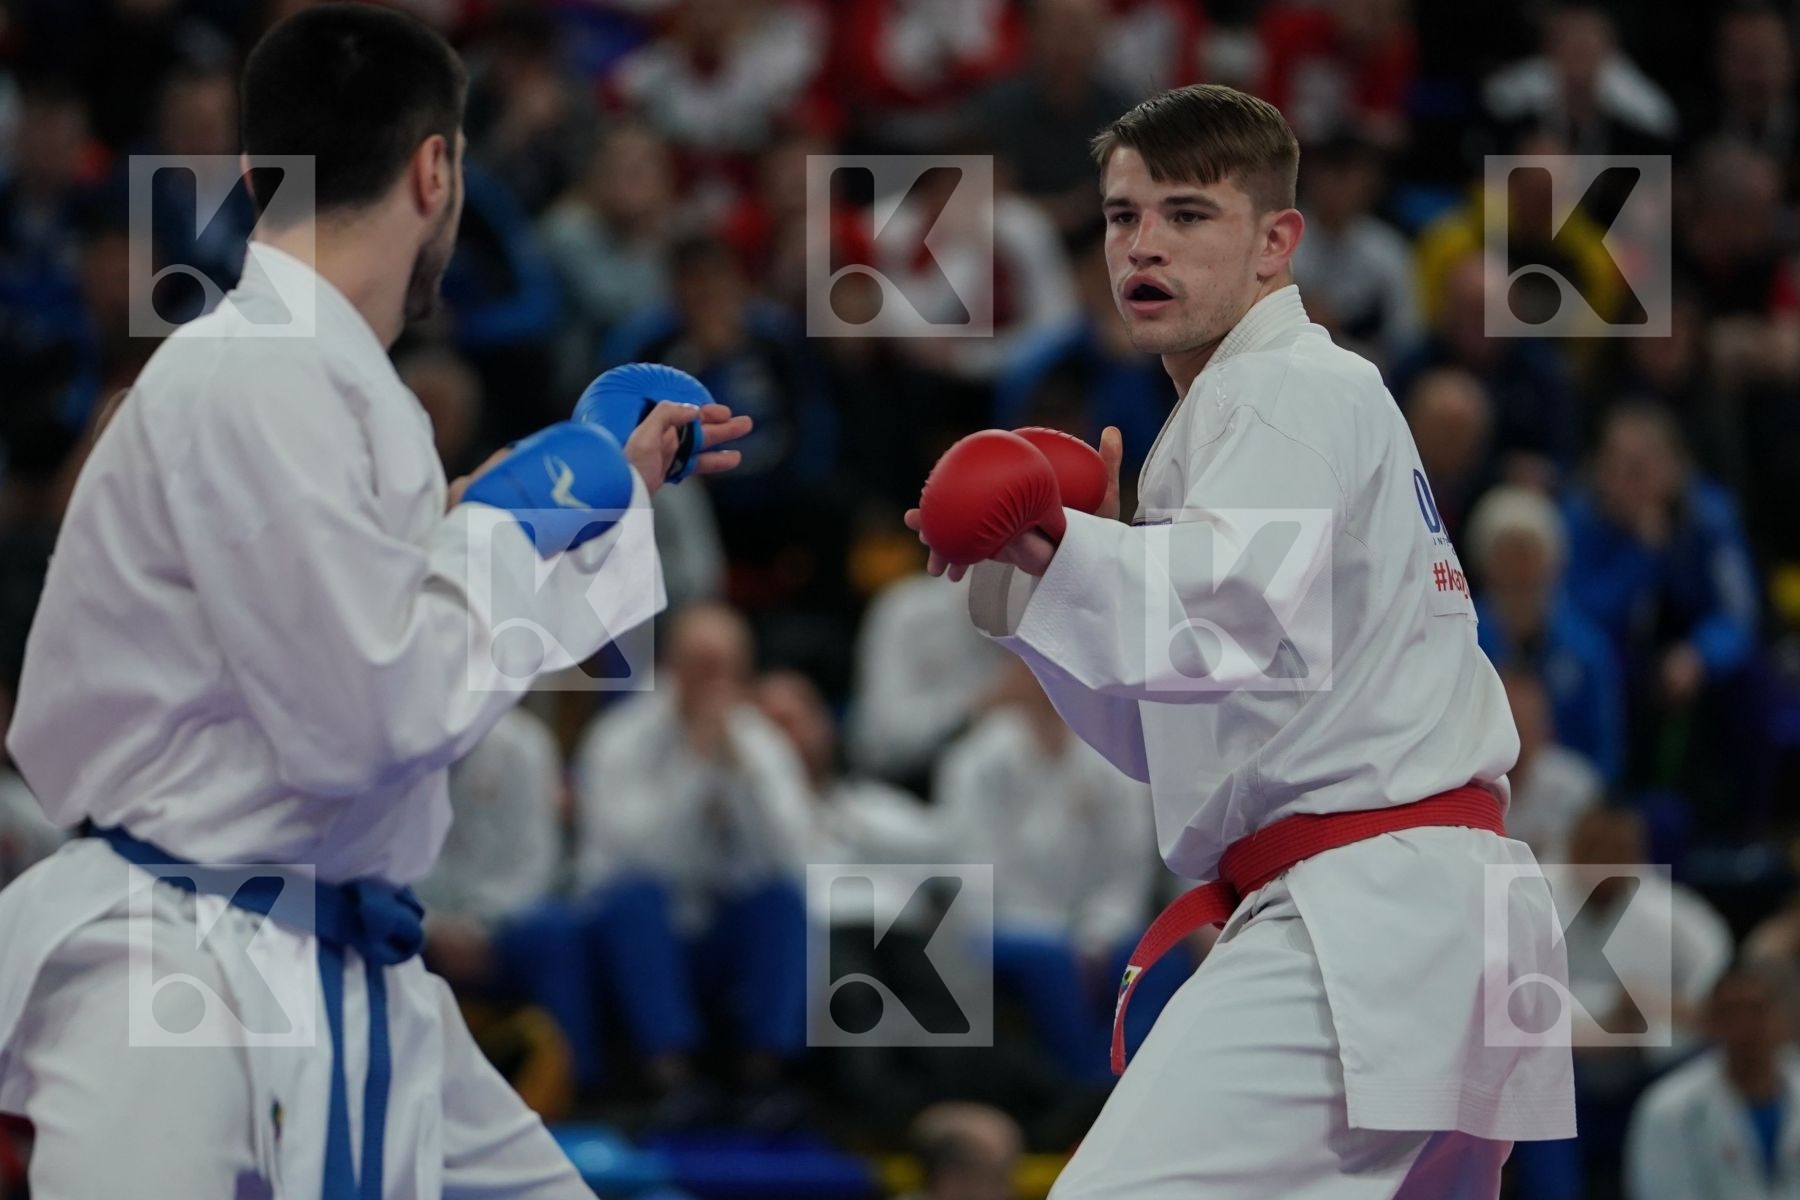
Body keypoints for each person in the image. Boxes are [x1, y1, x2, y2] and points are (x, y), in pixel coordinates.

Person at [0, 7, 750, 1197]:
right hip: (197, 972)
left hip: (330, 950)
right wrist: (527, 512)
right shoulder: (263, 371)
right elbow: (366, 714)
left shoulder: (314, 377)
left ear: (256, 178)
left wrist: (585, 492)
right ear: (436, 167)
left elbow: (370, 600)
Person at [906, 83, 1573, 1196]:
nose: (1144, 245)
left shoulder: (1279, 389)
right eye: (1122, 217)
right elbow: (1166, 729)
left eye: (1187, 214)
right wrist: (1036, 577)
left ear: (1277, 242)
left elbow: (1213, 614)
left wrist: (1074, 551)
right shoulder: (1265, 415)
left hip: (1369, 913)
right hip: (1439, 912)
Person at [572, 602, 812, 1126]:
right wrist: (697, 764)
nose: (716, 682)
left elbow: (786, 858)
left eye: (728, 668)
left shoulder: (758, 743)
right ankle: (671, 1080)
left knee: (784, 900)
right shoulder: (620, 738)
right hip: (642, 923)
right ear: (672, 664)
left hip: (721, 922)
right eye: (703, 665)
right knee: (637, 898)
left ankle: (765, 1079)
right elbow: (637, 859)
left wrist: (740, 775)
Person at [1624, 961, 1800, 1200]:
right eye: (1731, 1013)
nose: (1744, 1027)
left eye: (1757, 1011)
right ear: (1711, 1023)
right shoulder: (1667, 1108)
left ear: (1784, 1018)